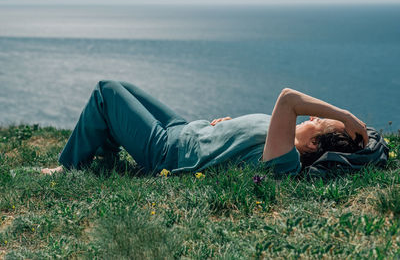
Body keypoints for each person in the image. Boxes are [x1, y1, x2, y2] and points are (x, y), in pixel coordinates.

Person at [41, 80, 368, 176]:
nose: (314, 117)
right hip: (185, 129)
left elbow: (288, 99)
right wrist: (224, 130)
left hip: (167, 151)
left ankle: (68, 166)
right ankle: (106, 151)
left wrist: (346, 116)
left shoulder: (286, 161)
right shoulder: (279, 140)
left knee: (106, 92)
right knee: (123, 88)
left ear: (313, 145)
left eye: (321, 122)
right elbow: (244, 139)